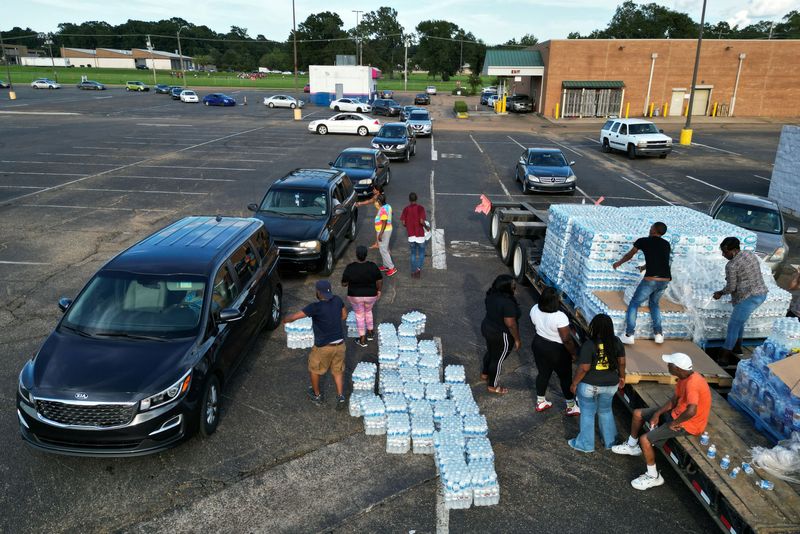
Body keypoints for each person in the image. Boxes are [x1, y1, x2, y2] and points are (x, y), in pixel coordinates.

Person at [612, 352, 711, 490]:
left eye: (670, 364)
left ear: (678, 368)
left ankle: (653, 477)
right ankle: (631, 446)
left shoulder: (693, 384)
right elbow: (674, 401)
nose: (667, 365)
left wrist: (673, 423)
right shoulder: (683, 378)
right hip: (677, 413)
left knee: (645, 439)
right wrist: (657, 413)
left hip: (689, 424)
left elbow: (691, 411)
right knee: (637, 413)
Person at [282, 280, 348, 410]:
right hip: (340, 344)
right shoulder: (338, 300)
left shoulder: (315, 307)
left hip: (323, 347)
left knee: (314, 369)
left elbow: (295, 317)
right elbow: (344, 316)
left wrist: (285, 320)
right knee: (337, 370)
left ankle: (317, 395)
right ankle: (340, 396)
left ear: (318, 292)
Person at [568, 313, 626, 453]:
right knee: (605, 411)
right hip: (611, 385)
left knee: (587, 413)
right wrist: (622, 377)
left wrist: (574, 383)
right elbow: (622, 362)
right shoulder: (616, 342)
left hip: (589, 385)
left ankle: (585, 445)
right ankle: (610, 442)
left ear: (594, 327)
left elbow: (584, 368)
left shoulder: (589, 344)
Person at [613, 222, 672, 345]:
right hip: (665, 279)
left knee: (634, 303)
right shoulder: (666, 244)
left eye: (651, 227)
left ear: (654, 230)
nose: (649, 228)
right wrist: (644, 267)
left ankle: (629, 334)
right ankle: (658, 334)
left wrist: (619, 263)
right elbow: (660, 260)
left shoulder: (643, 241)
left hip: (651, 280)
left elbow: (630, 254)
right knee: (654, 304)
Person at [713, 236, 769, 365]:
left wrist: (720, 293)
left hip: (748, 297)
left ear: (733, 250)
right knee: (740, 321)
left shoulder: (731, 265)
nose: (723, 255)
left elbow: (731, 287)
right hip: (761, 293)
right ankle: (737, 348)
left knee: (733, 325)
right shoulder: (749, 254)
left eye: (725, 252)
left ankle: (724, 356)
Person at [529, 286, 579, 415]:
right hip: (557, 350)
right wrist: (573, 354)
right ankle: (571, 406)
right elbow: (566, 339)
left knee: (543, 373)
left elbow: (534, 324)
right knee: (565, 377)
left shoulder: (534, 309)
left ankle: (540, 401)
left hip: (539, 343)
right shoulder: (559, 316)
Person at [480, 274, 521, 395]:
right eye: (513, 286)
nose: (515, 288)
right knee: (497, 360)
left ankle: (484, 373)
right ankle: (493, 386)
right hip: (500, 334)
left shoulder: (491, 294)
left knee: (491, 351)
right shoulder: (507, 303)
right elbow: (510, 324)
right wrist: (517, 339)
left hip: (487, 327)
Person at [341, 245, 383, 347]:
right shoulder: (373, 266)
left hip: (355, 296)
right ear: (366, 255)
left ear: (356, 255)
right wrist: (379, 291)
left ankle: (362, 339)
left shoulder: (350, 267)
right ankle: (370, 333)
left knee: (359, 316)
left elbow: (344, 283)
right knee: (368, 311)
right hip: (370, 295)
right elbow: (379, 280)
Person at [400, 192, 428, 278]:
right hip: (420, 235)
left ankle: (413, 271)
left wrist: (408, 225)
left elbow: (403, 223)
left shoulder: (406, 209)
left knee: (413, 254)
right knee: (421, 253)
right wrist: (427, 227)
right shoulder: (421, 208)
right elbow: (421, 221)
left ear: (409, 199)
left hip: (411, 236)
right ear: (416, 199)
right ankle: (418, 269)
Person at [371, 193, 397, 277]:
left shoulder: (382, 209)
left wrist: (380, 234)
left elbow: (384, 221)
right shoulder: (388, 206)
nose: (376, 202)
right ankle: (386, 266)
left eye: (377, 201)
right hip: (387, 229)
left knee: (383, 250)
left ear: (379, 201)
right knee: (383, 248)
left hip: (384, 231)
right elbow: (391, 214)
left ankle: (391, 267)